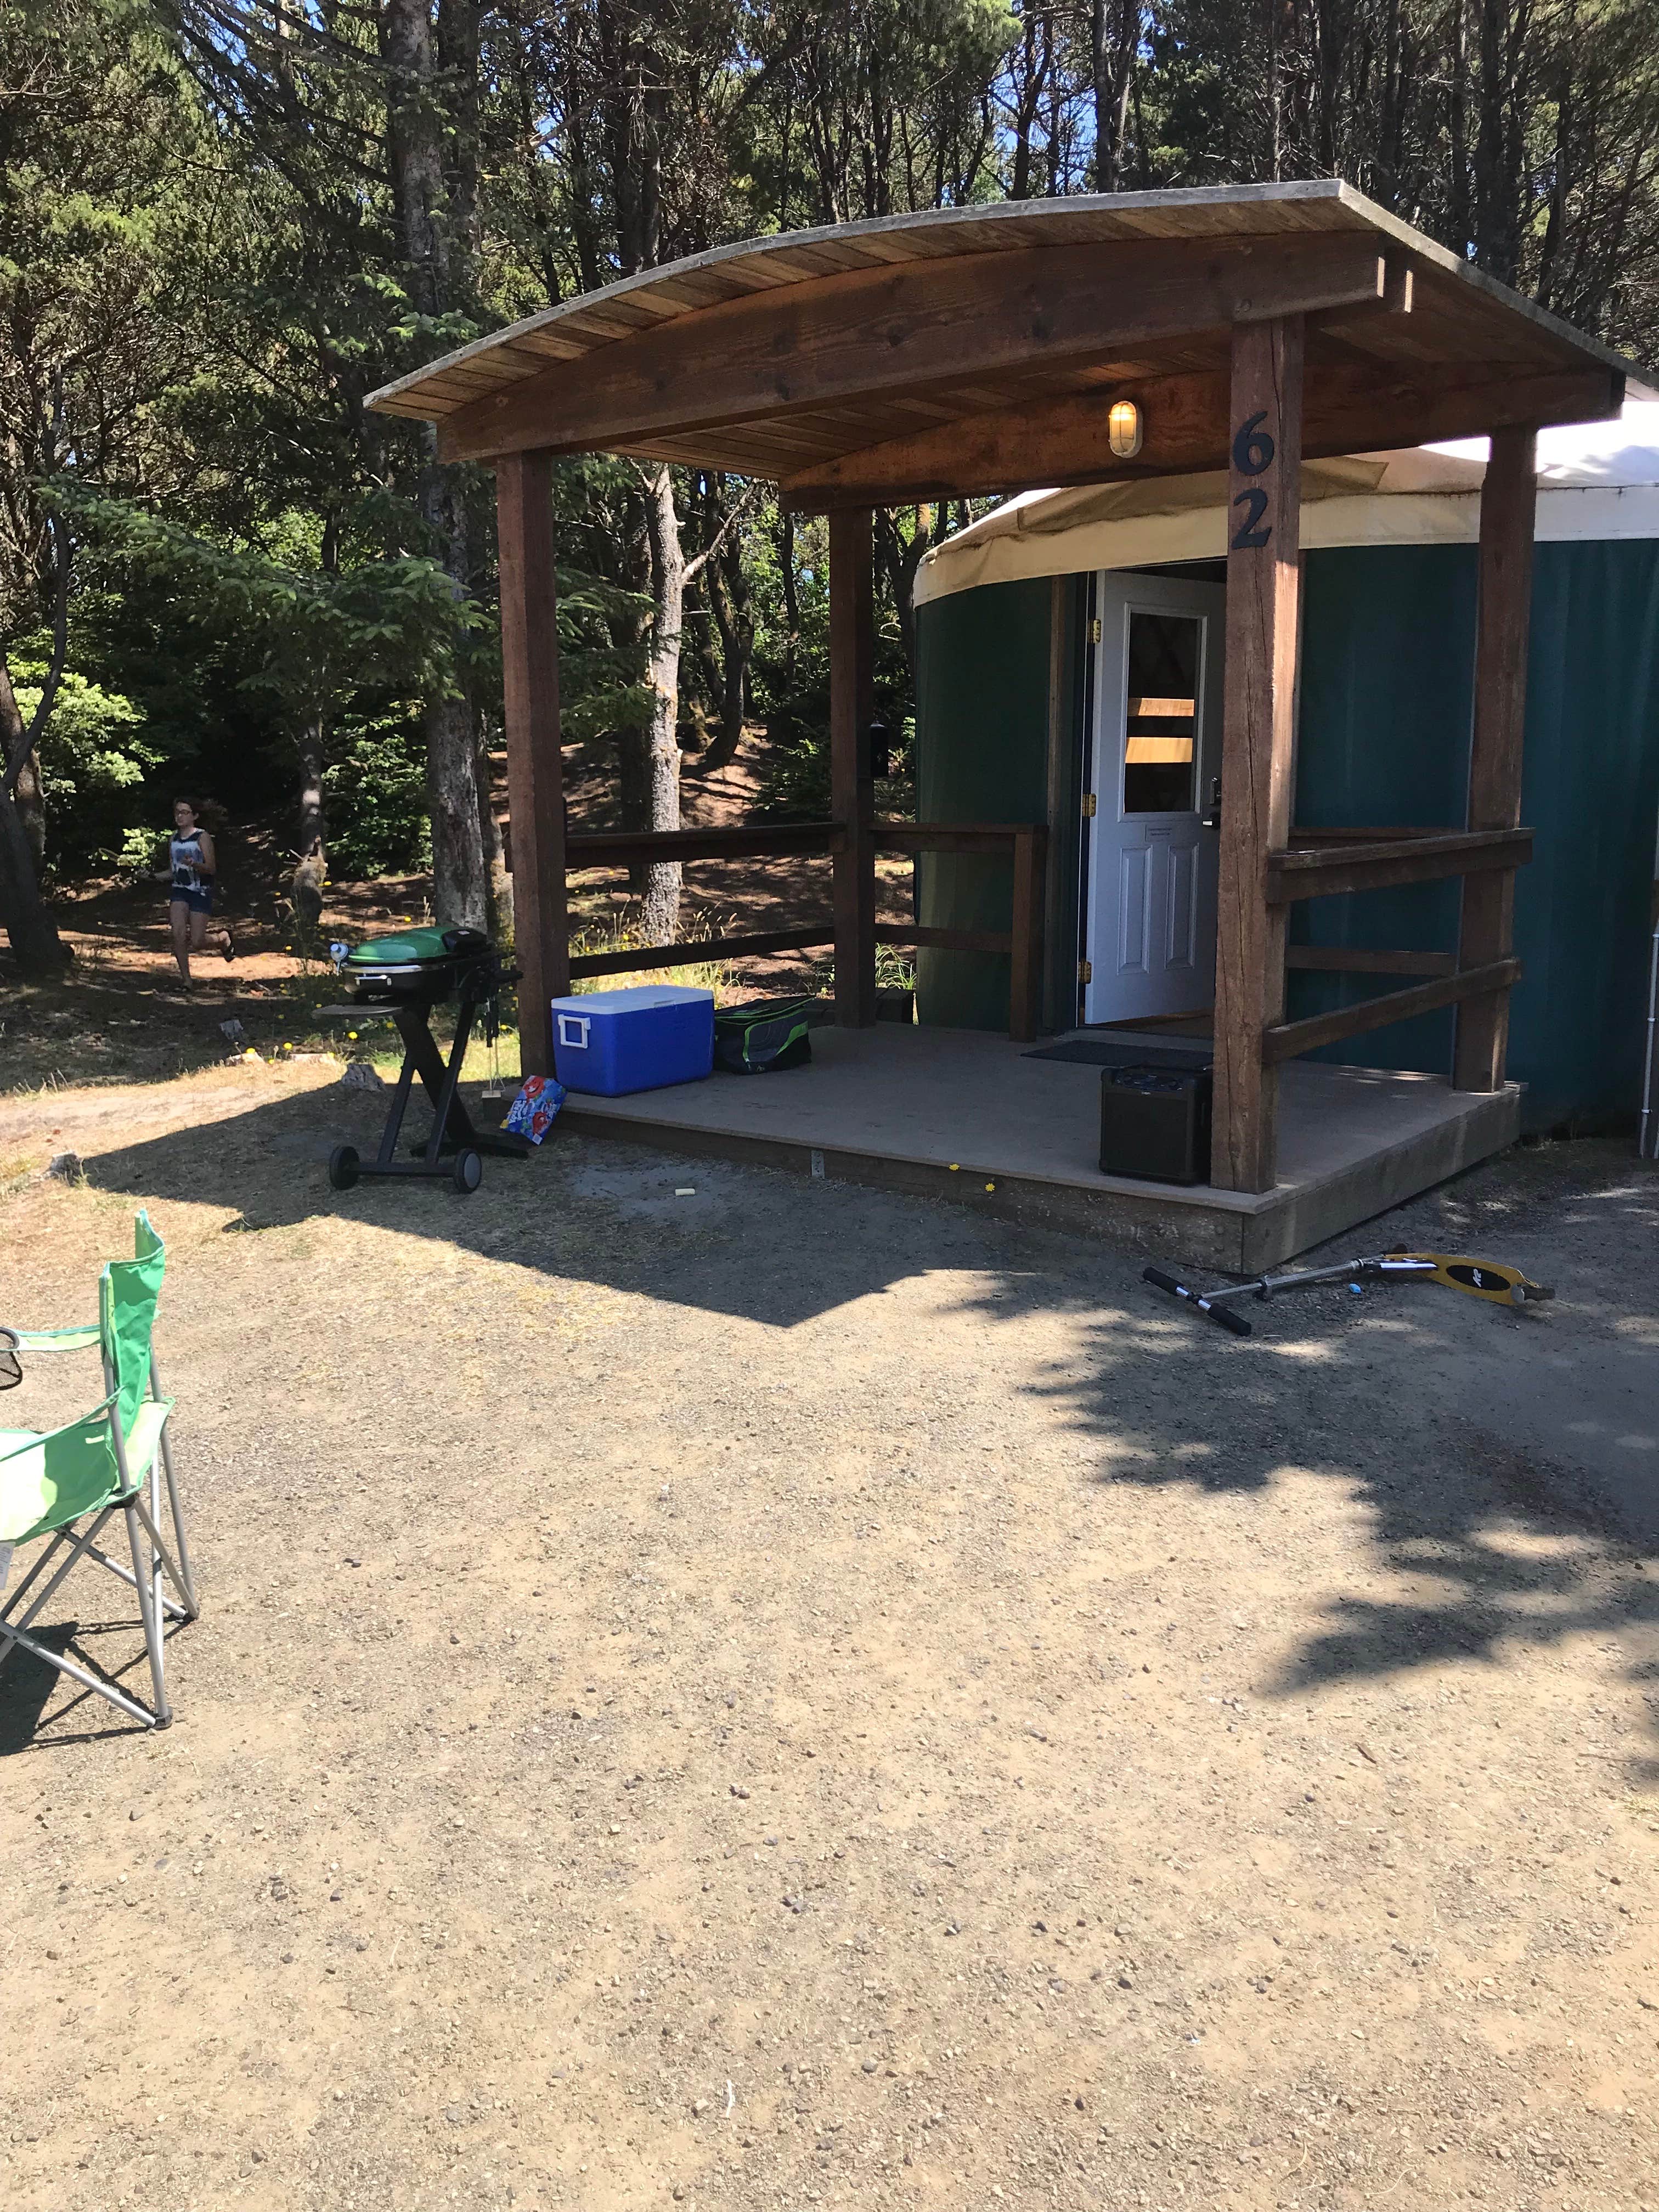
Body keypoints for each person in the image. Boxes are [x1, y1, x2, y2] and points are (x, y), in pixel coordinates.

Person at [158, 798, 233, 988]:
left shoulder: (202, 837)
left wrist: (195, 864)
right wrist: (152, 875)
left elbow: (211, 868)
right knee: (178, 934)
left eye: (185, 812)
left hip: (201, 891)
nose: (180, 816)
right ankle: (187, 981)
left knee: (198, 941)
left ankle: (222, 939)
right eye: (177, 812)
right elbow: (172, 871)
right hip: (179, 892)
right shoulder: (173, 839)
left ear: (195, 816)